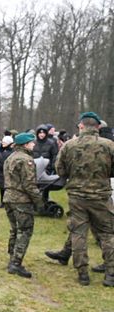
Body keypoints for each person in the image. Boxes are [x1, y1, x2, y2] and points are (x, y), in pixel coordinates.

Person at [55, 111, 114, 287]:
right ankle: (111, 274)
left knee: (78, 233)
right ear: (98, 127)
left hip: (77, 196)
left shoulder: (68, 145)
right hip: (101, 196)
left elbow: (60, 170)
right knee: (107, 234)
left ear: (81, 126)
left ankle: (83, 274)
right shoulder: (109, 145)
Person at [2, 132, 43, 278]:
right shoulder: (27, 160)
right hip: (21, 200)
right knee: (24, 230)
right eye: (32, 142)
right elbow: (29, 184)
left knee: (14, 229)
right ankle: (16, 263)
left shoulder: (10, 158)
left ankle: (12, 258)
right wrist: (39, 201)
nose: (34, 144)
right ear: (25, 144)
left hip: (8, 197)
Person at [0, 135, 15, 207]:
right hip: (0, 172)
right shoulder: (0, 150)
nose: (2, 144)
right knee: (2, 188)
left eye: (4, 143)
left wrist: (4, 166)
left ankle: (8, 202)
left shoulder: (12, 152)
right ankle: (2, 202)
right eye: (2, 142)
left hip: (8, 172)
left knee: (8, 188)